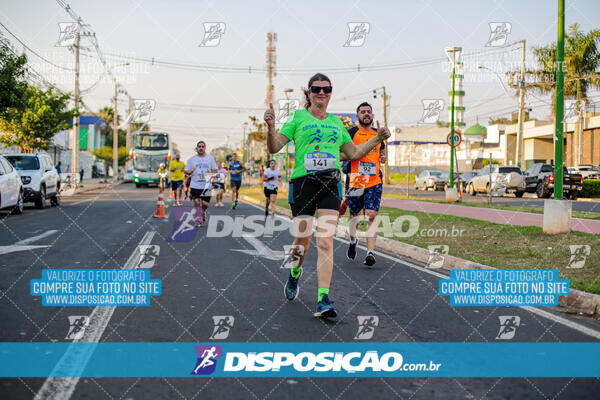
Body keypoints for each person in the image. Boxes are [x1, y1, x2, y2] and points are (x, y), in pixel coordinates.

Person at [264, 73, 390, 318]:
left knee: (325, 240)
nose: (321, 92)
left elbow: (353, 153)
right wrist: (270, 128)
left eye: (326, 89)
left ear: (331, 92)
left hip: (330, 184)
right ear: (309, 93)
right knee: (303, 240)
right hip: (303, 184)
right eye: (316, 89)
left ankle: (323, 298)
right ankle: (294, 274)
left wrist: (378, 138)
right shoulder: (297, 118)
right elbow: (274, 147)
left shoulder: (336, 123)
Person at [343, 102, 387, 267]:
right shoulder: (352, 133)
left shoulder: (378, 134)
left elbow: (382, 153)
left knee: (371, 214)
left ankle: (370, 252)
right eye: (363, 112)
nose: (366, 114)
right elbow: (343, 153)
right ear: (358, 115)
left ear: (372, 114)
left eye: (369, 111)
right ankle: (353, 240)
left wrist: (383, 158)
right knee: (354, 215)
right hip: (356, 181)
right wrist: (354, 155)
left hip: (374, 181)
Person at [184, 141, 218, 226]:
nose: (201, 148)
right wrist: (190, 171)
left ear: (205, 148)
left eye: (203, 146)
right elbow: (186, 171)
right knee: (196, 201)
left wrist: (211, 172)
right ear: (197, 148)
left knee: (205, 204)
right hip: (195, 184)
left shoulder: (210, 158)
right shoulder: (191, 159)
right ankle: (198, 218)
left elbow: (216, 170)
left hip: (207, 185)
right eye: (199, 146)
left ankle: (203, 212)